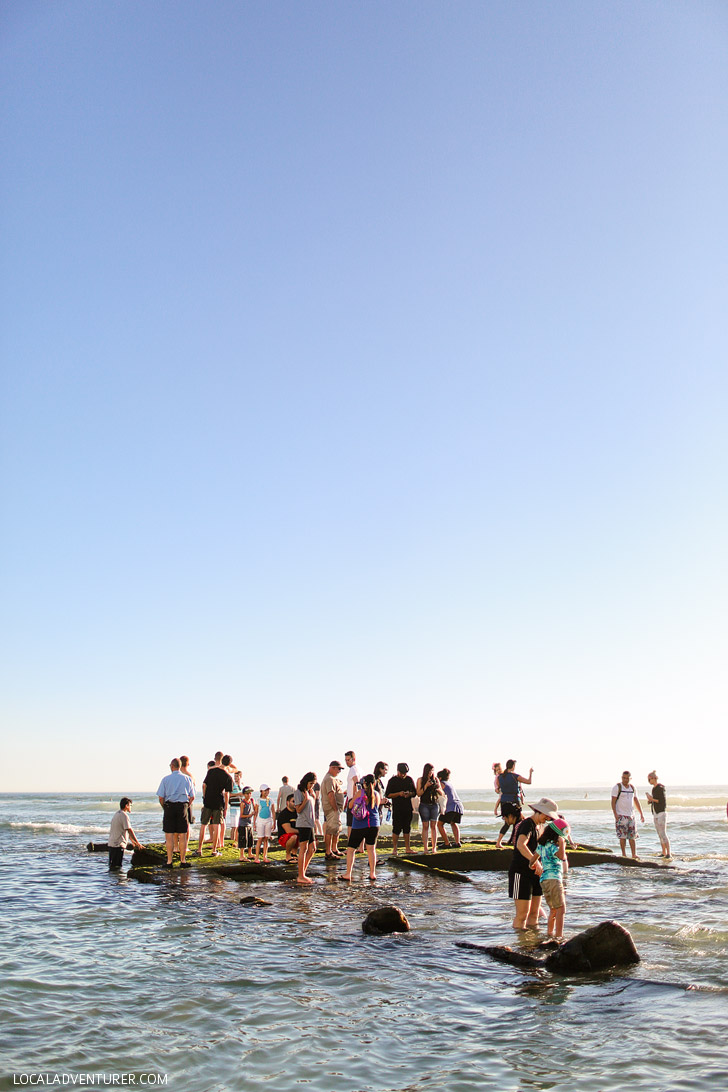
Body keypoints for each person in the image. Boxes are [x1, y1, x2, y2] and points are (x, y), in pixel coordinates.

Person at [508, 797, 556, 929]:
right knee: (522, 915)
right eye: (546, 816)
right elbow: (520, 845)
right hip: (521, 872)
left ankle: (532, 942)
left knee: (534, 914)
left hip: (536, 874)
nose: (547, 819)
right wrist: (536, 863)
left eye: (549, 818)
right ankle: (520, 943)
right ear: (538, 811)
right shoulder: (527, 824)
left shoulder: (540, 827)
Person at [156, 758, 195, 868]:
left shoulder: (166, 779)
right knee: (182, 834)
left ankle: (169, 861)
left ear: (172, 766)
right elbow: (192, 796)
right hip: (182, 806)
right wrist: (187, 804)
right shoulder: (187, 779)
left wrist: (165, 807)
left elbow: (161, 797)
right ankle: (182, 860)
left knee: (169, 835)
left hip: (169, 806)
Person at [344, 773, 381, 882]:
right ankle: (372, 873)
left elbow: (350, 806)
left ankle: (348, 874)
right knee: (371, 849)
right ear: (374, 783)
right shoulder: (377, 794)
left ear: (363, 784)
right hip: (374, 824)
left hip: (359, 824)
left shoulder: (360, 793)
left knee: (351, 849)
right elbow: (376, 808)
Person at [537, 817, 569, 938]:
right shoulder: (553, 846)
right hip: (555, 879)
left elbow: (532, 860)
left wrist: (535, 867)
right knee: (561, 909)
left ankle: (550, 933)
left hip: (544, 880)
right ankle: (559, 936)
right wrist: (562, 844)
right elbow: (561, 856)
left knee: (553, 909)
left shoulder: (542, 846)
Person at [197, 755, 233, 857]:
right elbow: (226, 794)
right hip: (218, 802)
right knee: (217, 824)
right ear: (229, 764)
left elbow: (204, 785)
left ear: (221, 761)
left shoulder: (211, 771)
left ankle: (199, 849)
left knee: (204, 824)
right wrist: (226, 806)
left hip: (208, 800)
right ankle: (214, 850)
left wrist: (204, 797)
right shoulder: (228, 777)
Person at [496, 760, 533, 847]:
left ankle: (499, 842)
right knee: (518, 822)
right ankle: (515, 842)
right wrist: (530, 773)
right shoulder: (515, 776)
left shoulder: (500, 777)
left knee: (507, 823)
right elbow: (529, 782)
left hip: (504, 802)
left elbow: (498, 789)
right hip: (514, 802)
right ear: (513, 766)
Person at [385, 762, 417, 856]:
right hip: (397, 808)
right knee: (396, 828)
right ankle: (395, 849)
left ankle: (408, 848)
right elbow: (388, 794)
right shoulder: (392, 780)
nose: (403, 775)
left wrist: (409, 794)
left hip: (407, 807)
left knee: (407, 828)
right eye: (402, 773)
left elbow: (414, 793)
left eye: (405, 773)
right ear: (398, 771)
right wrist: (399, 794)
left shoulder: (409, 779)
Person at [611, 770, 644, 858]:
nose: (625, 780)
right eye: (624, 778)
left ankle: (634, 854)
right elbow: (613, 802)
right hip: (621, 815)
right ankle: (624, 854)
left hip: (631, 815)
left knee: (632, 837)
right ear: (622, 778)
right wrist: (615, 814)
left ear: (630, 778)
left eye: (627, 778)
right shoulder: (617, 787)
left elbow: (636, 800)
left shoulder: (632, 788)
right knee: (622, 837)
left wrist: (641, 813)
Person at [293, 773, 318, 884]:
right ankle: (301, 876)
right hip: (303, 823)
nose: (312, 786)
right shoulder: (298, 792)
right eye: (310, 783)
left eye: (313, 784)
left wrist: (313, 797)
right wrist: (306, 800)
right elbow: (298, 810)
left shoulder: (309, 792)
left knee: (312, 849)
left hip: (310, 824)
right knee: (303, 849)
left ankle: (302, 872)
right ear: (306, 781)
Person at [108, 798, 143, 870]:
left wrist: (133, 842)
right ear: (126, 805)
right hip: (118, 845)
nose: (131, 807)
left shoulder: (117, 814)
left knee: (112, 866)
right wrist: (138, 843)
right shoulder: (124, 815)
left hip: (112, 844)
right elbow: (129, 830)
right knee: (117, 866)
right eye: (130, 805)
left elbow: (125, 830)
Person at [321, 760, 345, 860]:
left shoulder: (332, 779)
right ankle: (328, 852)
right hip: (332, 809)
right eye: (339, 769)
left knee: (336, 829)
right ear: (333, 767)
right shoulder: (329, 779)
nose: (339, 771)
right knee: (330, 830)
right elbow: (331, 795)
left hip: (334, 809)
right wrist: (335, 809)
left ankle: (334, 849)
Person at [416, 763, 442, 854]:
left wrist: (437, 787)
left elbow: (441, 793)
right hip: (424, 804)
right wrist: (426, 786)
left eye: (432, 770)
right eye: (429, 770)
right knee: (425, 826)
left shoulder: (435, 779)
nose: (431, 772)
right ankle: (425, 848)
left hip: (434, 804)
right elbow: (418, 793)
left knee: (434, 826)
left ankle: (434, 847)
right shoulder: (420, 780)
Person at [646, 771, 670, 858]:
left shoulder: (660, 788)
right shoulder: (654, 788)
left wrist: (652, 799)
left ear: (654, 778)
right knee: (659, 833)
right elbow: (656, 800)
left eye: (649, 779)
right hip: (655, 812)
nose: (649, 781)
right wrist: (650, 800)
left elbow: (662, 801)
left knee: (663, 833)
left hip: (661, 812)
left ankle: (668, 853)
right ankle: (663, 852)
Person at [437, 769, 464, 848]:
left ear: (440, 778)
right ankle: (457, 842)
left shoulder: (441, 784)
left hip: (450, 807)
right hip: (458, 806)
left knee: (439, 824)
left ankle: (446, 843)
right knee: (453, 823)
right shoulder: (449, 784)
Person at [254, 784, 276, 863]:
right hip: (260, 821)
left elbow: (273, 812)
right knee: (260, 838)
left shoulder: (270, 800)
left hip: (268, 821)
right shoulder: (258, 800)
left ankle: (265, 856)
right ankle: (257, 857)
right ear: (261, 791)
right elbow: (256, 812)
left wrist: (274, 822)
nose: (267, 792)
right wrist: (254, 823)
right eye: (265, 790)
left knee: (266, 838)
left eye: (268, 790)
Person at [277, 792, 299, 863]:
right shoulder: (283, 814)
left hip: (295, 834)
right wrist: (301, 831)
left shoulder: (298, 812)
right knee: (294, 837)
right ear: (287, 802)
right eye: (293, 801)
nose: (295, 803)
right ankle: (288, 856)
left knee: (312, 839)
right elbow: (288, 830)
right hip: (284, 837)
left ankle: (294, 854)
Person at [237, 787, 256, 861]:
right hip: (243, 824)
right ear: (244, 794)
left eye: (250, 793)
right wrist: (249, 815)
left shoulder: (251, 800)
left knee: (250, 839)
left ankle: (250, 853)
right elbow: (241, 815)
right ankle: (242, 855)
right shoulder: (243, 803)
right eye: (247, 793)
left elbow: (254, 809)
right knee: (243, 840)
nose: (249, 795)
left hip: (249, 823)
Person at [344, 751, 359, 835]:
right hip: (357, 798)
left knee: (350, 824)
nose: (347, 762)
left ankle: (350, 845)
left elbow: (356, 783)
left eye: (348, 760)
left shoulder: (353, 769)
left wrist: (353, 798)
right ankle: (359, 847)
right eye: (345, 760)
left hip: (354, 799)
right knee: (358, 823)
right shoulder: (358, 769)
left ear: (353, 759)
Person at [228, 770, 244, 842]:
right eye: (235, 776)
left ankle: (237, 840)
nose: (235, 778)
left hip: (240, 806)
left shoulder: (242, 785)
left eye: (237, 776)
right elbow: (228, 794)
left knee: (238, 825)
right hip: (234, 806)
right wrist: (238, 794)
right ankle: (232, 840)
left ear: (240, 777)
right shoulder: (232, 784)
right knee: (234, 826)